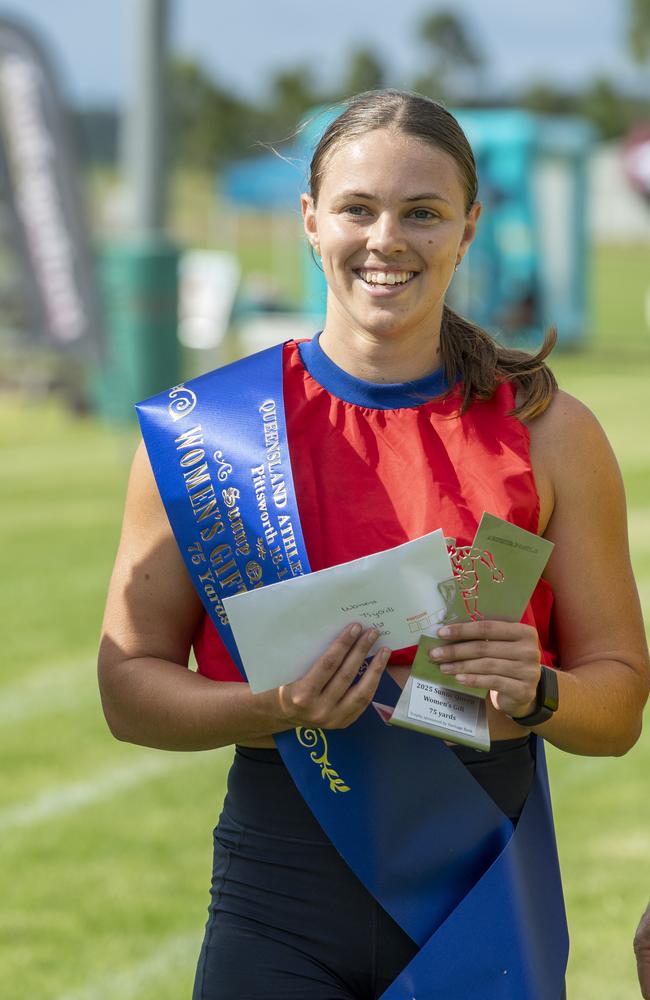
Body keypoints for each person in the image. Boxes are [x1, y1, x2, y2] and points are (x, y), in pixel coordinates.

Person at [98, 90, 649, 999]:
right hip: (279, 884)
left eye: (422, 213)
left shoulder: (549, 433)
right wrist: (274, 704)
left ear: (469, 228)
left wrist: (540, 687)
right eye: (358, 208)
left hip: (477, 878)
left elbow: (619, 707)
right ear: (311, 222)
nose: (386, 239)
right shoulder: (209, 434)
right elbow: (128, 691)